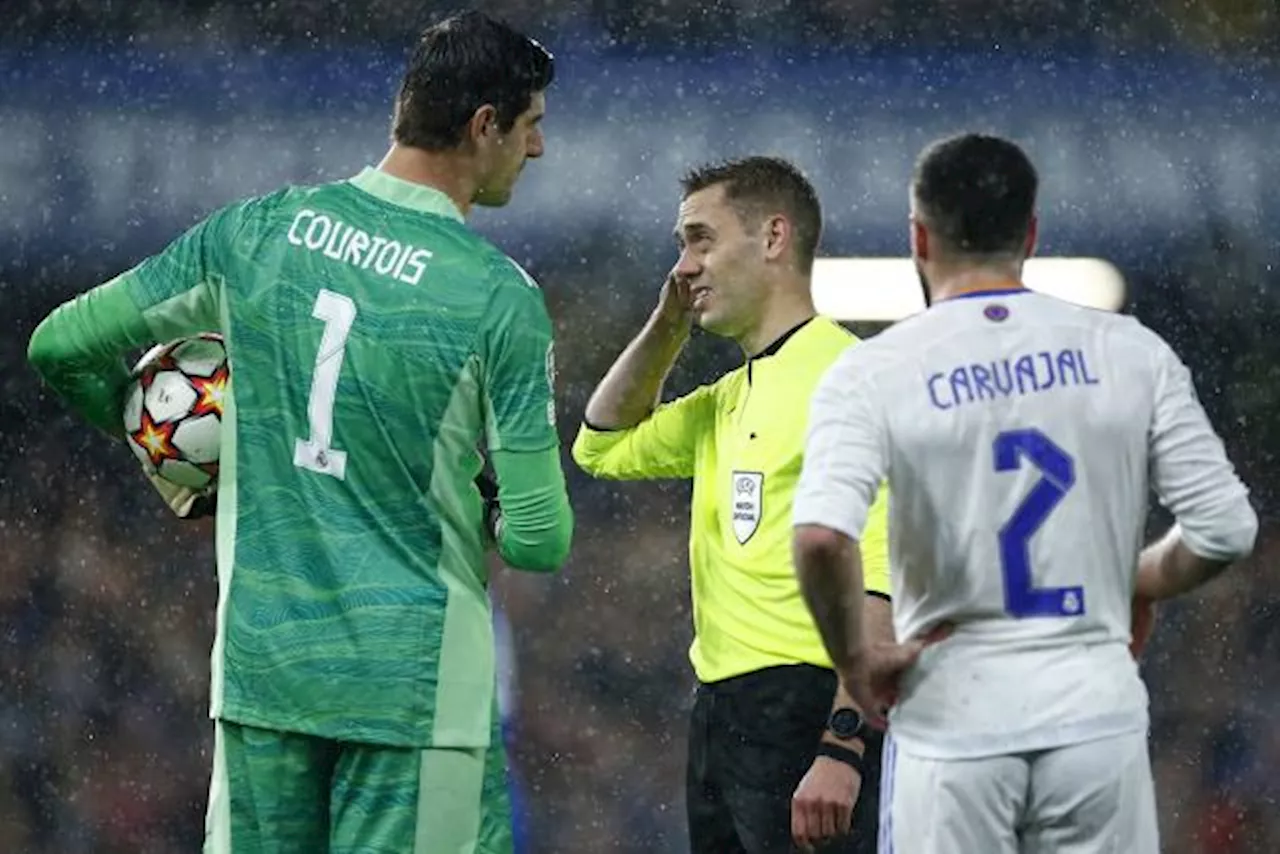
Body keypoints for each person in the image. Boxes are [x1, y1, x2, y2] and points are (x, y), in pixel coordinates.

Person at [27, 11, 573, 853]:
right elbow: (539, 541)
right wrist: (488, 495)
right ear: (483, 126)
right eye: (532, 125)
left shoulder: (255, 233)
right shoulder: (496, 297)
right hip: (415, 693)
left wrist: (162, 447)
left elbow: (60, 345)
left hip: (266, 678)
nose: (536, 149)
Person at [791, 132, 1259, 854]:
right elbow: (1224, 527)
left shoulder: (874, 371)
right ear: (1031, 234)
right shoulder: (1129, 352)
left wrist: (855, 659)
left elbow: (822, 538)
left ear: (919, 236)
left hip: (954, 713)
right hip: (1093, 719)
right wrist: (1135, 577)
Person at [572, 156, 892, 854]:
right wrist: (667, 326)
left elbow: (880, 576)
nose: (684, 266)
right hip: (721, 712)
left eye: (700, 239)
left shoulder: (850, 379)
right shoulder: (728, 397)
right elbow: (599, 443)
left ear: (773, 238)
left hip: (807, 711)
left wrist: (843, 746)